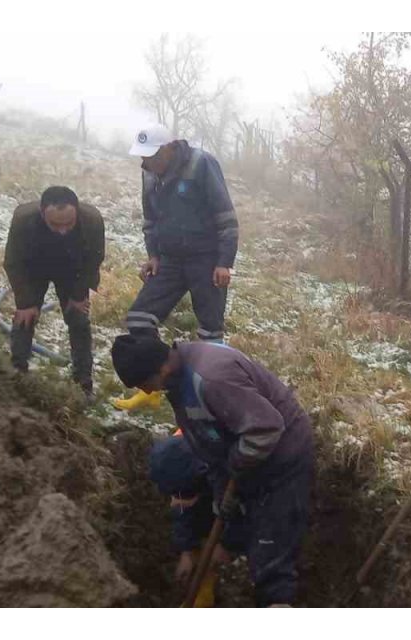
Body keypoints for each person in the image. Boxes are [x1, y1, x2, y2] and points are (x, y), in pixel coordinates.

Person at [111, 334, 313, 607]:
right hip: (243, 453)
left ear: (161, 368)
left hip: (282, 455)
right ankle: (237, 546)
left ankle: (277, 601)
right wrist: (222, 501)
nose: (146, 392)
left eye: (144, 384)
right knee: (232, 512)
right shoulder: (178, 382)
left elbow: (266, 428)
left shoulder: (211, 378)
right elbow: (211, 449)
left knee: (270, 554)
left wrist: (236, 465)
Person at [112, 123, 239, 412]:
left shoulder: (201, 164)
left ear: (169, 148)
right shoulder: (148, 173)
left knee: (209, 333)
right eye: (142, 157)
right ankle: (153, 386)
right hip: (169, 260)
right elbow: (150, 220)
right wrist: (153, 255)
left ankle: (211, 401)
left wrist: (224, 262)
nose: (145, 162)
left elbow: (226, 217)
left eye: (151, 155)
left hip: (206, 260)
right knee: (140, 319)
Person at [3, 187, 105, 396]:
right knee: (25, 318)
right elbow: (13, 262)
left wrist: (78, 296)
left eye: (69, 224)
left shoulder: (92, 220)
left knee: (78, 319)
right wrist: (25, 302)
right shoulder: (23, 219)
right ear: (42, 213)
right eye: (55, 224)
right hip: (34, 267)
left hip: (72, 269)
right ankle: (17, 374)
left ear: (76, 211)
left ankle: (83, 382)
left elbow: (93, 260)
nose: (63, 230)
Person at [148, 433, 249, 607]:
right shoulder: (171, 460)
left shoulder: (231, 462)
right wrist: (187, 550)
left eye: (182, 494)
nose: (175, 499)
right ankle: (203, 589)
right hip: (207, 485)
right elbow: (181, 510)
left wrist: (227, 544)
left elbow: (247, 509)